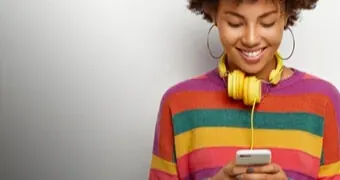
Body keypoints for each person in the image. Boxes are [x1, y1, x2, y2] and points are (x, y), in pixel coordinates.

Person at [148, 0, 340, 179]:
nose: (251, 39)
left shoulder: (324, 101)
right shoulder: (179, 103)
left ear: (287, 15)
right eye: (235, 23)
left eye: (267, 23)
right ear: (213, 14)